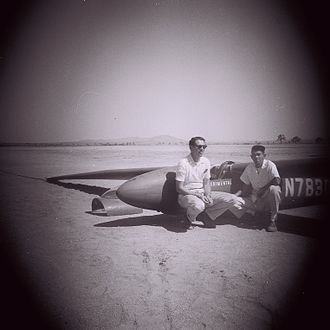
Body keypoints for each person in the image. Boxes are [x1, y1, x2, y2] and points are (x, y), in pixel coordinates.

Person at [175, 136, 244, 229]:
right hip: (186, 196)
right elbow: (179, 188)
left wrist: (208, 195)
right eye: (199, 146)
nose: (202, 149)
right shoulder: (183, 163)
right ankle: (188, 218)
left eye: (204, 147)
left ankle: (207, 216)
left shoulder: (206, 161)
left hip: (202, 193)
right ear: (191, 147)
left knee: (233, 199)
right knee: (199, 205)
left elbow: (206, 183)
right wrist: (197, 195)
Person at [234, 145, 281, 232]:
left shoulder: (270, 165)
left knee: (274, 189)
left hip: (267, 197)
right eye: (254, 155)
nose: (256, 157)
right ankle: (257, 213)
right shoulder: (249, 167)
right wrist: (235, 196)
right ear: (251, 157)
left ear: (264, 155)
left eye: (259, 154)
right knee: (237, 204)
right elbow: (245, 185)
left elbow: (277, 180)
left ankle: (273, 221)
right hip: (256, 199)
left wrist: (264, 189)